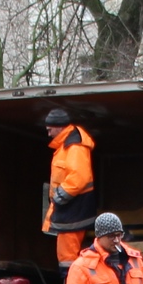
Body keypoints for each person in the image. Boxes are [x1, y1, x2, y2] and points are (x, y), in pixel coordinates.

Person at [43, 108, 100, 268]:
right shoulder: (67, 146)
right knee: (67, 255)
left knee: (68, 256)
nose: (49, 134)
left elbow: (79, 178)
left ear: (59, 127)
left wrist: (60, 197)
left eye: (50, 129)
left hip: (72, 212)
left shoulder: (74, 147)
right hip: (71, 212)